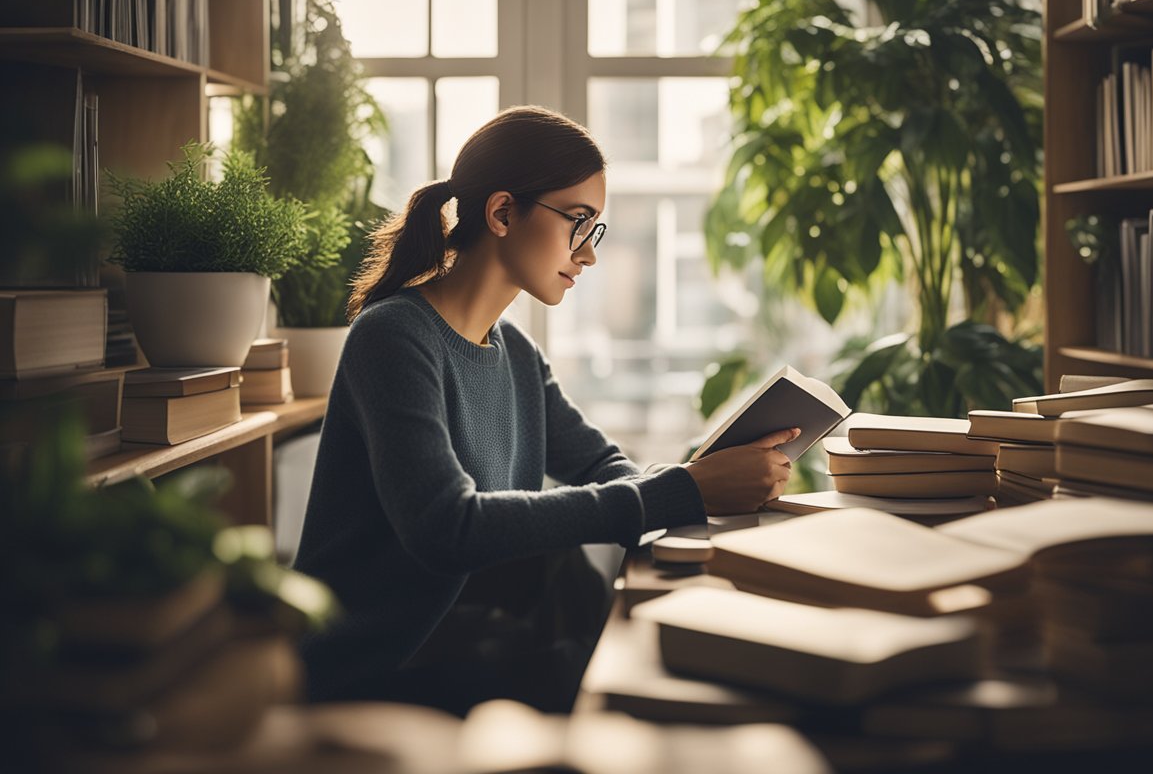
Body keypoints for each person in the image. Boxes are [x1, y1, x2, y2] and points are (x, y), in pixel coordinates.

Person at [293, 105, 799, 714]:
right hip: (379, 669)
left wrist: (695, 484)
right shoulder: (392, 337)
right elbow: (447, 529)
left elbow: (602, 463)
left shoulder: (516, 355)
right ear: (503, 212)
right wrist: (679, 492)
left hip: (472, 640)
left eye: (595, 230)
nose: (587, 255)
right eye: (577, 222)